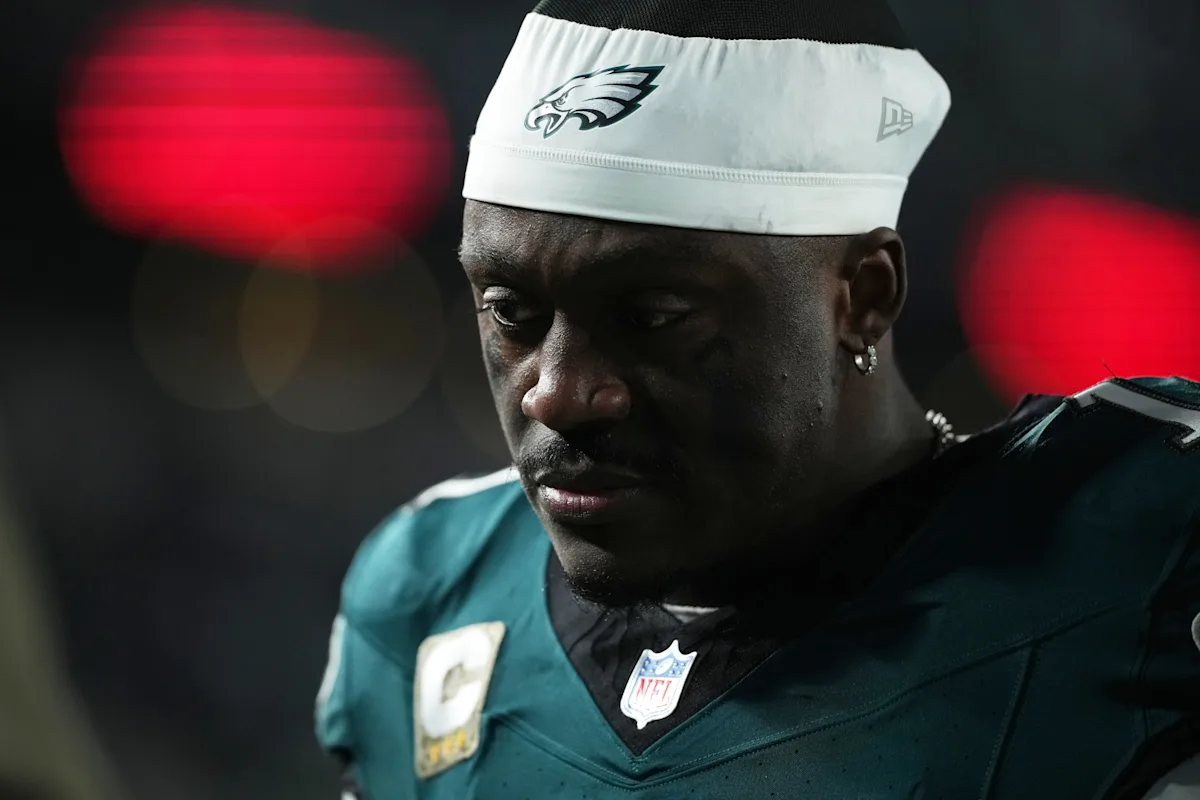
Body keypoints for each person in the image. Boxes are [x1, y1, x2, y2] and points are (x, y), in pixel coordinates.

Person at [315, 0, 1200, 796]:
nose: (560, 394)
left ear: (864, 295)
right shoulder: (429, 595)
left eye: (652, 318)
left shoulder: (1137, 563)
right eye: (512, 313)